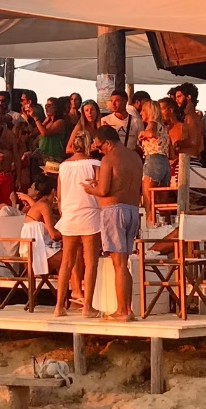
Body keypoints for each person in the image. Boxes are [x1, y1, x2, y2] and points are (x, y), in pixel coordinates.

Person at [82, 126, 143, 321]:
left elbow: (103, 190)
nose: (99, 151)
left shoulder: (109, 159)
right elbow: (122, 181)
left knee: (118, 264)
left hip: (114, 211)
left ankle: (122, 311)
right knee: (123, 263)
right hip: (132, 210)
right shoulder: (135, 157)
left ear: (108, 143)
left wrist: (90, 189)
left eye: (100, 147)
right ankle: (128, 309)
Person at [53, 132, 102, 317]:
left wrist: (64, 211)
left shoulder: (63, 167)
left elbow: (59, 195)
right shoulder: (95, 164)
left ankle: (59, 306)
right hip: (89, 214)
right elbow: (101, 189)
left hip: (70, 214)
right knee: (90, 262)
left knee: (67, 262)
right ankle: (87, 306)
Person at [16, 175, 64, 283]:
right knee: (72, 258)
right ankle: (70, 293)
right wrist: (71, 235)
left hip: (34, 250)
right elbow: (54, 235)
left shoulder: (40, 205)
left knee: (72, 255)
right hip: (36, 253)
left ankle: (66, 293)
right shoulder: (44, 206)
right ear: (53, 191)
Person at [138, 100, 172, 216]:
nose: (141, 113)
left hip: (153, 160)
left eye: (143, 110)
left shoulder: (152, 123)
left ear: (150, 111)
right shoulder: (165, 128)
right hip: (165, 163)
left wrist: (142, 133)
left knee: (148, 200)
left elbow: (151, 133)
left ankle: (150, 224)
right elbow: (171, 152)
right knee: (162, 203)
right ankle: (165, 226)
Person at [31, 96, 70, 164]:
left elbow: (45, 133)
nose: (46, 108)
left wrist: (35, 117)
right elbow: (36, 132)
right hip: (43, 156)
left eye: (49, 105)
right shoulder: (47, 121)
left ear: (55, 107)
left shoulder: (60, 122)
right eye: (46, 105)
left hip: (54, 157)